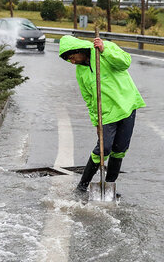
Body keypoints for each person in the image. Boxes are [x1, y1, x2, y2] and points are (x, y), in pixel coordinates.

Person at [58, 35, 146, 192]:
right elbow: (88, 98)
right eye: (68, 60)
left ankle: (109, 185)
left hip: (126, 105)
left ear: (80, 50)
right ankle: (82, 186)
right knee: (103, 149)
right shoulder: (80, 71)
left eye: (72, 57)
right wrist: (96, 122)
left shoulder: (104, 48)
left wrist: (105, 51)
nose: (72, 62)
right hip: (106, 114)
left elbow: (125, 62)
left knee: (120, 149)